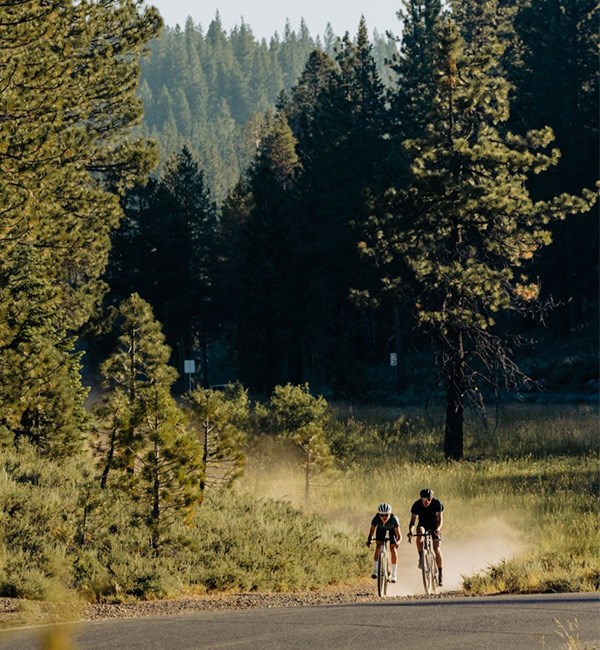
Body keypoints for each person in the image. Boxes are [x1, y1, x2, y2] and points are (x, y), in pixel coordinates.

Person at [407, 488, 444, 586]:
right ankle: (421, 556)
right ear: (421, 499)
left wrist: (438, 529)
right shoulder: (416, 504)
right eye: (424, 500)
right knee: (419, 533)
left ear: (431, 499)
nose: (426, 502)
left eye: (428, 500)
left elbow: (440, 519)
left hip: (434, 525)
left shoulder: (437, 503)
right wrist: (411, 530)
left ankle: (440, 574)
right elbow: (412, 521)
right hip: (423, 524)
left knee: (436, 548)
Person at [366, 502, 402, 583]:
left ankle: (394, 574)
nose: (384, 517)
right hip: (381, 529)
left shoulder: (394, 519)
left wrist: (398, 542)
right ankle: (375, 570)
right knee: (378, 546)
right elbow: (371, 532)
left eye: (386, 515)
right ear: (379, 515)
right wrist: (369, 540)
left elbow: (399, 536)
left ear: (390, 514)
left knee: (392, 548)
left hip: (392, 530)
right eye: (381, 515)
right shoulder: (376, 519)